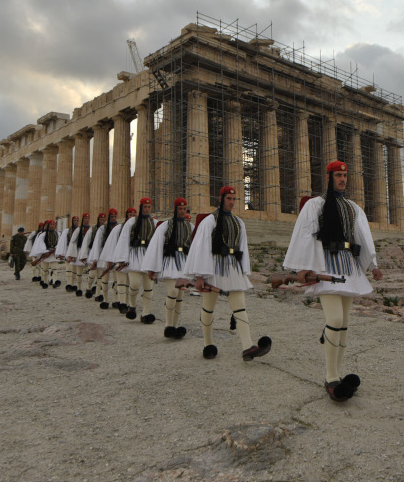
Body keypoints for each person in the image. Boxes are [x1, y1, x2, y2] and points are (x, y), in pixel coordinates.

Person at [283, 160, 382, 402]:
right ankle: (329, 376)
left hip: (348, 268)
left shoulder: (352, 207)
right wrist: (303, 267)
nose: (343, 179)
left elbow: (362, 236)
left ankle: (337, 372)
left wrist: (373, 265)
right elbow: (305, 235)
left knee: (344, 323)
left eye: (345, 175)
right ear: (329, 177)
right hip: (325, 266)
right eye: (338, 175)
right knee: (335, 319)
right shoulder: (315, 205)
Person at [183, 186, 271, 361]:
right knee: (208, 308)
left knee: (240, 307)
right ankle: (208, 344)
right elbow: (201, 248)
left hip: (232, 268)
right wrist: (199, 276)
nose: (232, 202)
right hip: (212, 268)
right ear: (222, 198)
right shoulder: (209, 221)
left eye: (234, 199)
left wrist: (244, 270)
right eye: (229, 198)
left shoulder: (239, 222)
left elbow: (243, 247)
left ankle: (248, 346)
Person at [143, 197, 193, 337]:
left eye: (184, 209)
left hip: (183, 262)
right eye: (180, 209)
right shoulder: (166, 225)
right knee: (173, 291)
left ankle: (175, 326)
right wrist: (152, 267)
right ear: (175, 209)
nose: (182, 211)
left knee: (180, 296)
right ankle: (168, 325)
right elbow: (156, 246)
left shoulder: (191, 227)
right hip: (171, 262)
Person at [113, 198, 158, 323]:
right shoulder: (132, 222)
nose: (147, 209)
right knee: (135, 284)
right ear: (141, 207)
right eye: (145, 207)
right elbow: (124, 240)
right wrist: (122, 259)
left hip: (148, 256)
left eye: (149, 207)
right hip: (134, 256)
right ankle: (132, 305)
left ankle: (145, 313)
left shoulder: (155, 223)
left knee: (149, 287)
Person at [88, 209, 120, 307]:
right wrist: (95, 260)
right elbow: (97, 244)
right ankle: (105, 299)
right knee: (104, 279)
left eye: (115, 217)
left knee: (116, 280)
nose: (113, 218)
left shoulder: (119, 228)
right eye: (112, 217)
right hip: (104, 254)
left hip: (115, 255)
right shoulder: (102, 229)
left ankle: (115, 300)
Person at [80, 213, 107, 299]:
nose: (102, 222)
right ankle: (88, 287)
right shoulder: (93, 229)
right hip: (93, 252)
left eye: (104, 220)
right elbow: (86, 242)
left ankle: (98, 294)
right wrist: (83, 255)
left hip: (102, 253)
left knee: (100, 275)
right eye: (101, 220)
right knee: (92, 273)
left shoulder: (107, 229)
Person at [66, 213, 91, 296]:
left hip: (89, 251)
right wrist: (71, 254)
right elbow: (73, 242)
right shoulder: (78, 230)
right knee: (79, 271)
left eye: (88, 218)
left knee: (91, 271)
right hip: (80, 251)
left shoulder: (91, 229)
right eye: (85, 218)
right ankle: (79, 288)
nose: (87, 220)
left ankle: (89, 287)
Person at [31, 220, 61, 288]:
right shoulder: (43, 235)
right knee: (45, 269)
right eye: (51, 224)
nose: (52, 226)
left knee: (54, 268)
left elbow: (60, 243)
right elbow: (41, 244)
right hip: (45, 254)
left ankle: (54, 281)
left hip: (54, 254)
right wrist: (46, 251)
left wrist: (55, 249)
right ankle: (44, 281)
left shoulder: (58, 234)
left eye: (54, 224)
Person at [56, 215, 80, 292]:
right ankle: (68, 284)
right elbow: (63, 242)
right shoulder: (67, 231)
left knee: (75, 270)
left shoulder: (80, 230)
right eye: (74, 220)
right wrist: (61, 253)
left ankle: (73, 284)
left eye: (77, 220)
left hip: (77, 251)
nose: (76, 222)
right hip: (68, 250)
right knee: (69, 268)